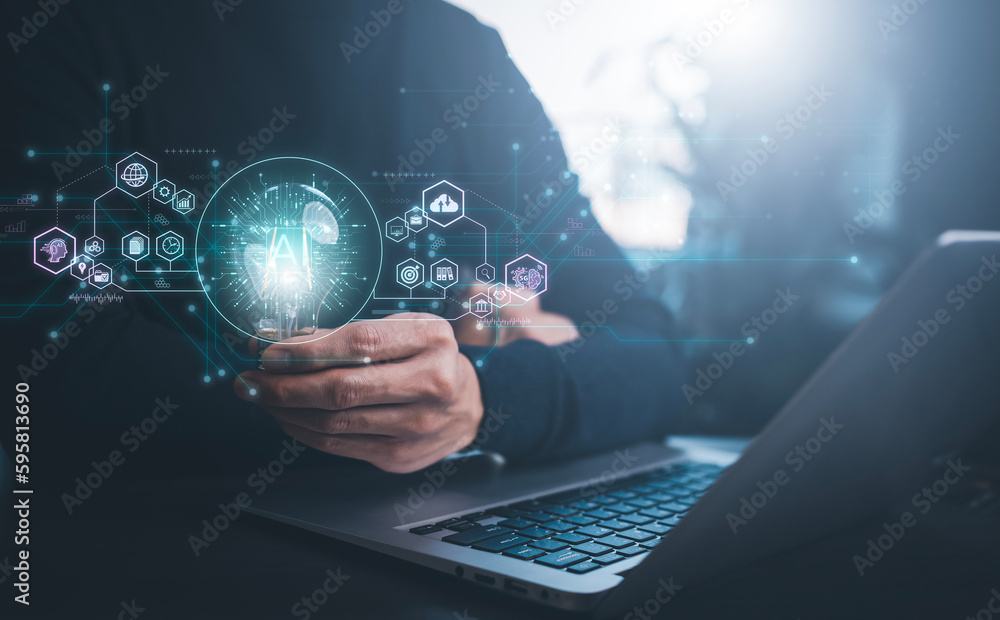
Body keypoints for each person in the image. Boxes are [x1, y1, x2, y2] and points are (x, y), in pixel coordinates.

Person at [0, 0, 684, 477]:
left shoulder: (466, 55)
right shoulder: (63, 28)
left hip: (451, 534)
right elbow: (46, 370)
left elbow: (652, 347)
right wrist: (444, 390)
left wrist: (483, 399)